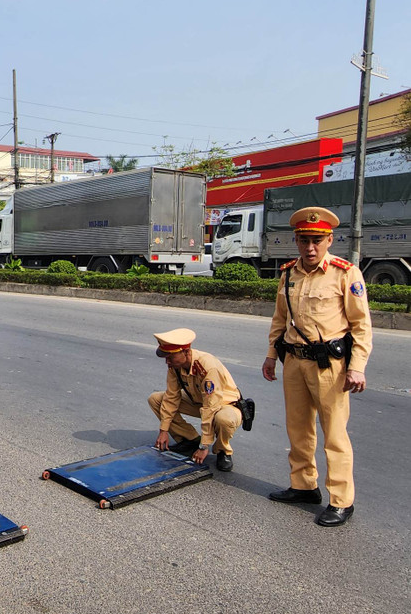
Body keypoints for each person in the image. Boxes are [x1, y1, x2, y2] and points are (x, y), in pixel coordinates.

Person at [262, 206, 372, 527]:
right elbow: (280, 319)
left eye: (317, 240)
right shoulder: (288, 274)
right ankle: (303, 485)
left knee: (334, 433)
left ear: (329, 240)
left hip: (331, 366)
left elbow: (361, 325)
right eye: (304, 240)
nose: (310, 247)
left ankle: (341, 500)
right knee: (298, 428)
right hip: (294, 362)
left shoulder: (345, 273)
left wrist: (357, 366)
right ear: (296, 240)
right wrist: (271, 355)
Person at [148, 328, 242, 471]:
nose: (167, 362)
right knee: (156, 399)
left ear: (185, 352)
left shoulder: (207, 367)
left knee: (224, 419)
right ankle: (189, 439)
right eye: (165, 357)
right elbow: (171, 397)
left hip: (224, 405)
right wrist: (163, 431)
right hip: (198, 400)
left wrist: (204, 446)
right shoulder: (175, 366)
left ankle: (223, 451)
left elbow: (211, 407)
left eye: (170, 357)